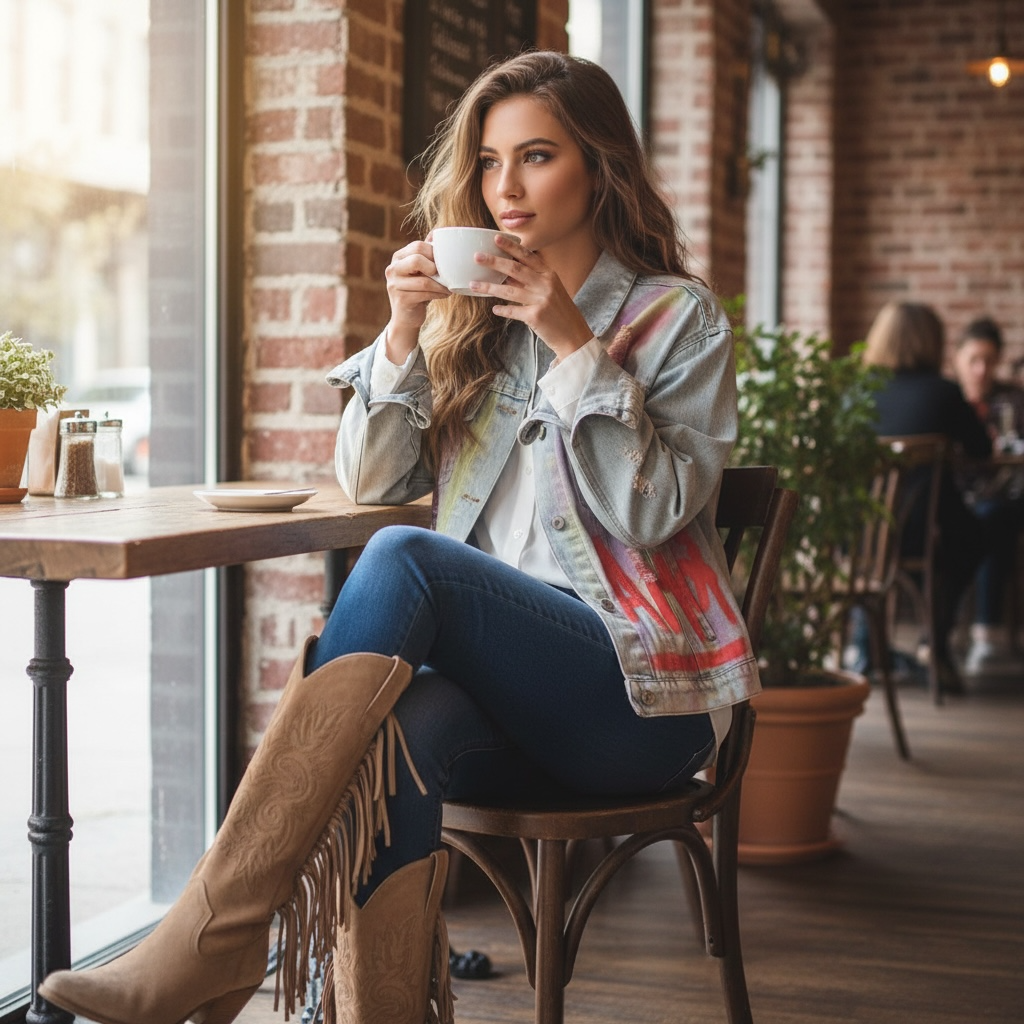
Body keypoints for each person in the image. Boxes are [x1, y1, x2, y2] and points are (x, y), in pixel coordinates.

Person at [38, 51, 758, 1024]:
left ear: (597, 166)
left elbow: (650, 510)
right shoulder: (480, 330)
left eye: (536, 156)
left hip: (640, 703)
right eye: (490, 161)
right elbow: (373, 482)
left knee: (407, 558)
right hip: (519, 714)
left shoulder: (678, 321)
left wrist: (573, 347)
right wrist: (402, 327)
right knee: (402, 726)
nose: (504, 186)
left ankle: (215, 936)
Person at [861, 301, 992, 693]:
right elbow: (982, 450)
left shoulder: (856, 395)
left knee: (883, 550)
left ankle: (863, 648)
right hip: (924, 533)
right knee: (974, 538)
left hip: (861, 536)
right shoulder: (945, 393)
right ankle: (933, 641)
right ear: (931, 342)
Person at [952, 316, 1024, 671]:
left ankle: (987, 635)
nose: (981, 370)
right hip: (953, 500)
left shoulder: (1013, 401)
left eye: (989, 361)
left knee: (992, 516)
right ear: (957, 359)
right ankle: (940, 637)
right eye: (974, 360)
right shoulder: (948, 401)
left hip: (1002, 498)